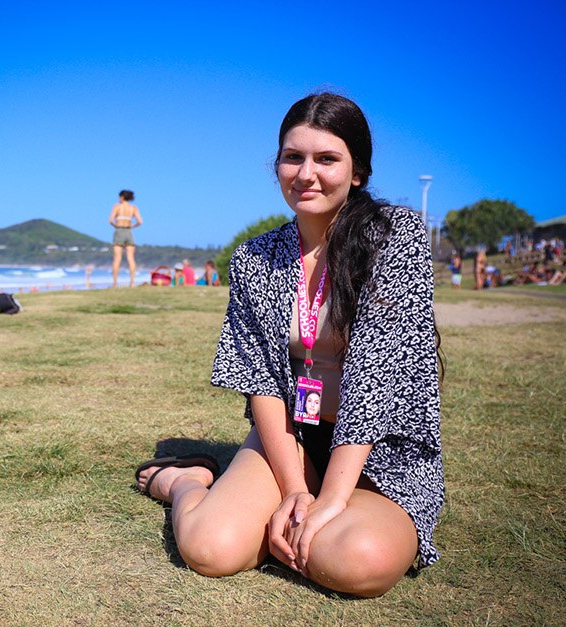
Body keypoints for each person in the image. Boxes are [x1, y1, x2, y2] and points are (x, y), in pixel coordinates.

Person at [135, 93, 443, 597]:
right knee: (210, 550)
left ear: (358, 172)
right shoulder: (256, 258)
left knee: (358, 562)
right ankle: (186, 481)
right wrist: (297, 490)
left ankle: (307, 514)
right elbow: (257, 377)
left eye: (327, 159)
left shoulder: (396, 239)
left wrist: (332, 499)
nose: (306, 174)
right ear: (276, 165)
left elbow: (376, 376)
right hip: (294, 438)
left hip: (382, 451)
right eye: (292, 157)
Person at [108, 190, 143, 288]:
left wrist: (116, 225)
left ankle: (115, 284)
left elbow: (110, 220)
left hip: (119, 231)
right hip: (129, 232)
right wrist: (132, 226)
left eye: (119, 197)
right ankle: (132, 283)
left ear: (122, 197)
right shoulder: (133, 208)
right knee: (131, 258)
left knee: (117, 258)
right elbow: (140, 221)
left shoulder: (117, 206)